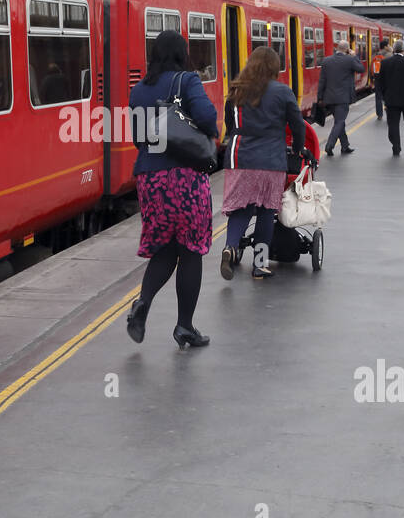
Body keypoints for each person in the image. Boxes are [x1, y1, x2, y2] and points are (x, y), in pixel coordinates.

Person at [127, 30, 219, 349]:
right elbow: (208, 118)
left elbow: (138, 138)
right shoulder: (187, 81)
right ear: (182, 54)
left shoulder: (138, 89)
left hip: (150, 179)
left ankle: (142, 303)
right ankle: (184, 327)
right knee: (190, 250)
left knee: (164, 248)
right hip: (185, 178)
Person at [219, 46, 307, 280]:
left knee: (241, 208)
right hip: (270, 159)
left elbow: (230, 125)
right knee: (267, 211)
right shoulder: (282, 91)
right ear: (274, 67)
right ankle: (259, 266)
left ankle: (230, 248)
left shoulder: (236, 90)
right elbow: (298, 125)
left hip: (239, 157)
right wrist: (298, 149)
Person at [317, 40, 365, 157]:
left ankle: (345, 145)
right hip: (343, 98)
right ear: (347, 49)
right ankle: (330, 145)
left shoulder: (326, 61)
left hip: (329, 98)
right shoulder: (349, 60)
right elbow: (361, 69)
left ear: (337, 48)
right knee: (340, 121)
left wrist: (320, 98)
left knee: (339, 121)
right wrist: (354, 56)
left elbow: (322, 81)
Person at [378, 41, 404, 155]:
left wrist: (384, 96)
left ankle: (396, 147)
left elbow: (381, 81)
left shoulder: (385, 62)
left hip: (391, 99)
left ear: (394, 49)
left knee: (393, 124)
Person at [371, 43, 387, 120]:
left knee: (378, 98)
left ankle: (379, 114)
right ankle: (387, 109)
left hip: (378, 80)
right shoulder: (383, 59)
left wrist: (372, 80)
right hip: (385, 81)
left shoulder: (376, 59)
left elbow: (375, 71)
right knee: (386, 97)